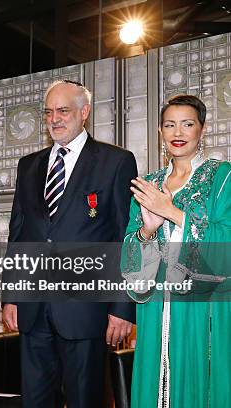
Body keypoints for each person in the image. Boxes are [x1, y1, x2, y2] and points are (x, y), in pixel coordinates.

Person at [2, 80, 137, 408]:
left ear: (85, 112)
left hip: (85, 310)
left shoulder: (115, 162)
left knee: (85, 400)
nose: (55, 119)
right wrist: (11, 296)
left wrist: (122, 308)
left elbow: (125, 238)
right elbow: (19, 235)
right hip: (33, 310)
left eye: (63, 110)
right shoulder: (29, 165)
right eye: (48, 112)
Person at [121, 94, 231, 407]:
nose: (178, 132)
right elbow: (131, 261)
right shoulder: (148, 184)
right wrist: (148, 229)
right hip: (155, 311)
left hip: (203, 310)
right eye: (170, 125)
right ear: (160, 132)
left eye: (187, 124)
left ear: (202, 129)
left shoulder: (223, 177)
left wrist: (172, 213)